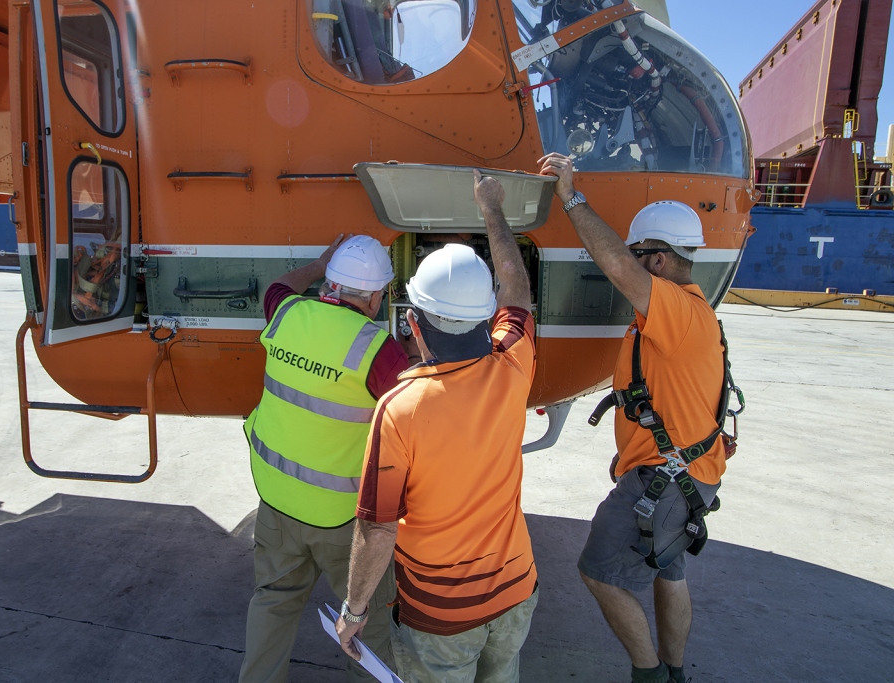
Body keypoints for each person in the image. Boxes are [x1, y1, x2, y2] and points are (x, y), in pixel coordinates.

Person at [335, 170, 539, 683]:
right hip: (517, 591)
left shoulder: (400, 408)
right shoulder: (515, 364)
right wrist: (491, 208)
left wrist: (354, 610)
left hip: (440, 614)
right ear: (486, 316)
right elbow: (517, 290)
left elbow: (377, 528)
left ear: (413, 323)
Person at [539, 152, 727, 683]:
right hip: (686, 474)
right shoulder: (693, 315)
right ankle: (674, 672)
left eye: (637, 253)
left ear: (659, 260)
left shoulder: (675, 310)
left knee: (598, 572)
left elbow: (618, 268)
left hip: (665, 481)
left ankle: (648, 675)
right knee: (669, 571)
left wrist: (570, 197)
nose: (629, 262)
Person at [239, 234, 417, 683]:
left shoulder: (287, 313)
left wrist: (318, 264)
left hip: (277, 500)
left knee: (272, 602)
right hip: (343, 520)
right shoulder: (379, 350)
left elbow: (278, 287)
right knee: (365, 623)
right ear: (376, 298)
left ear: (331, 284)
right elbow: (414, 412)